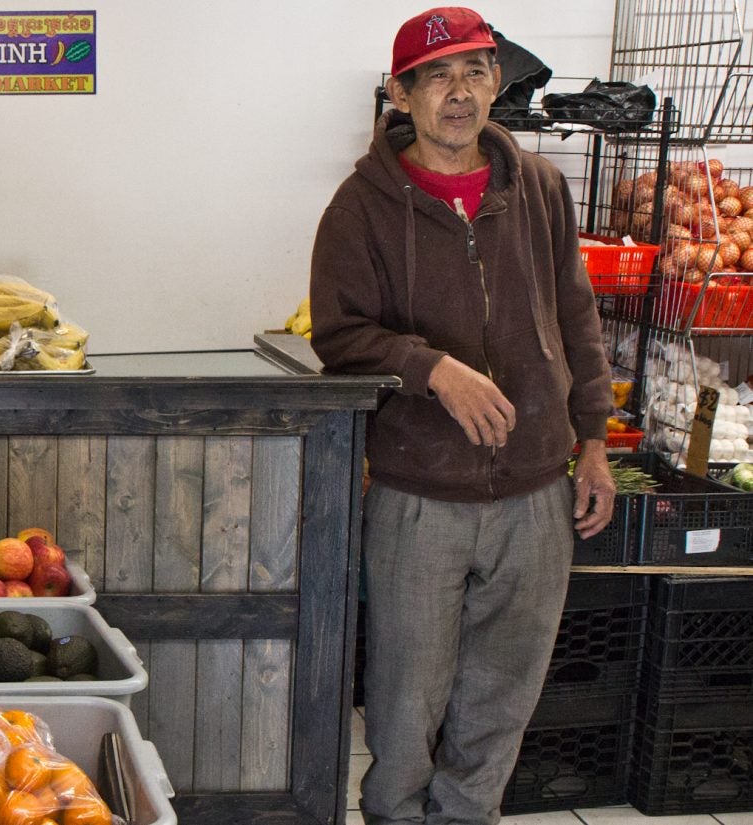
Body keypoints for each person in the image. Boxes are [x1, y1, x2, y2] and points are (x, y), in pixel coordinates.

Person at [308, 7, 617, 824]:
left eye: (477, 71)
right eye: (438, 75)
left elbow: (577, 321)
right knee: (408, 701)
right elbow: (340, 334)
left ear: (496, 85)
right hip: (419, 495)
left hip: (533, 492)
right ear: (401, 94)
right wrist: (432, 368)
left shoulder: (541, 189)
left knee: (502, 698)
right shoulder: (360, 208)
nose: (460, 92)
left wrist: (594, 444)